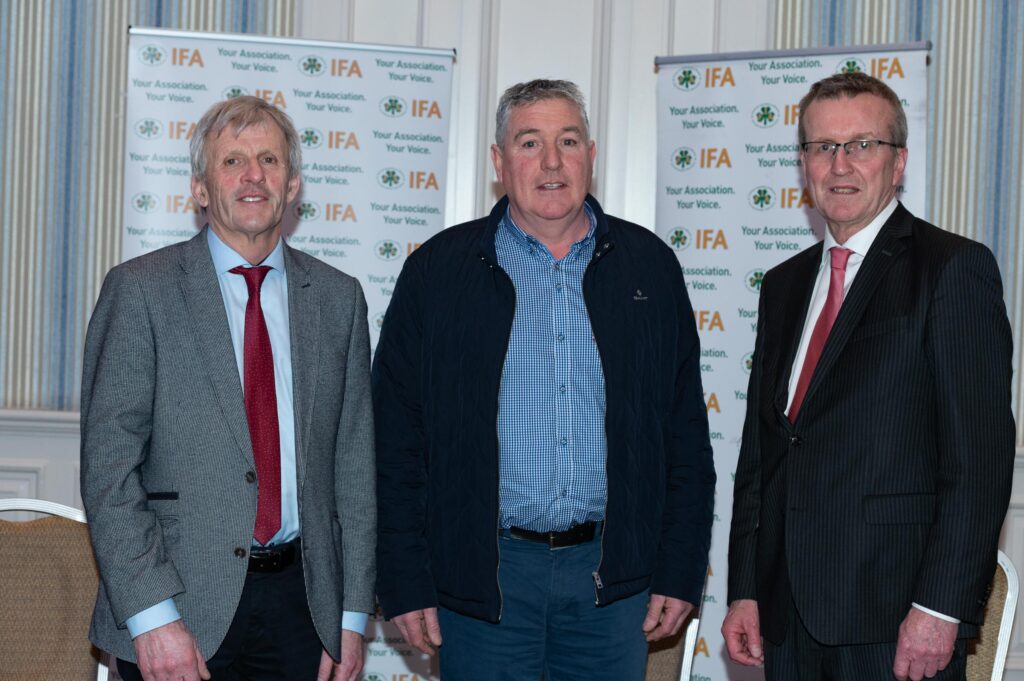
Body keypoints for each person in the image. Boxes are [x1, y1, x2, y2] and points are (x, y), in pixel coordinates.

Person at [372, 79, 716, 680]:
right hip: (482, 580)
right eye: (530, 143)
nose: (552, 162)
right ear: (499, 161)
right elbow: (394, 441)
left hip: (612, 583)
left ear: (591, 155)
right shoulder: (438, 272)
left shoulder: (650, 267)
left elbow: (685, 436)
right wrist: (401, 578)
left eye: (569, 141)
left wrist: (681, 568)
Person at [723, 72, 1015, 681]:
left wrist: (939, 608)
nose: (840, 164)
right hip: (786, 616)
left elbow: (979, 462)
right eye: (822, 147)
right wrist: (746, 587)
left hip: (896, 619)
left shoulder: (952, 269)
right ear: (804, 164)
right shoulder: (782, 286)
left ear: (898, 161)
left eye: (862, 144)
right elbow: (761, 455)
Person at [81, 95, 375, 681]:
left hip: (303, 611)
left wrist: (351, 614)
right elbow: (108, 471)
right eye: (232, 161)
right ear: (200, 187)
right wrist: (151, 617)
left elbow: (354, 467)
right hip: (178, 606)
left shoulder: (338, 299)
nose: (253, 176)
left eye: (269, 160)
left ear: (293, 185)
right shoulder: (141, 290)